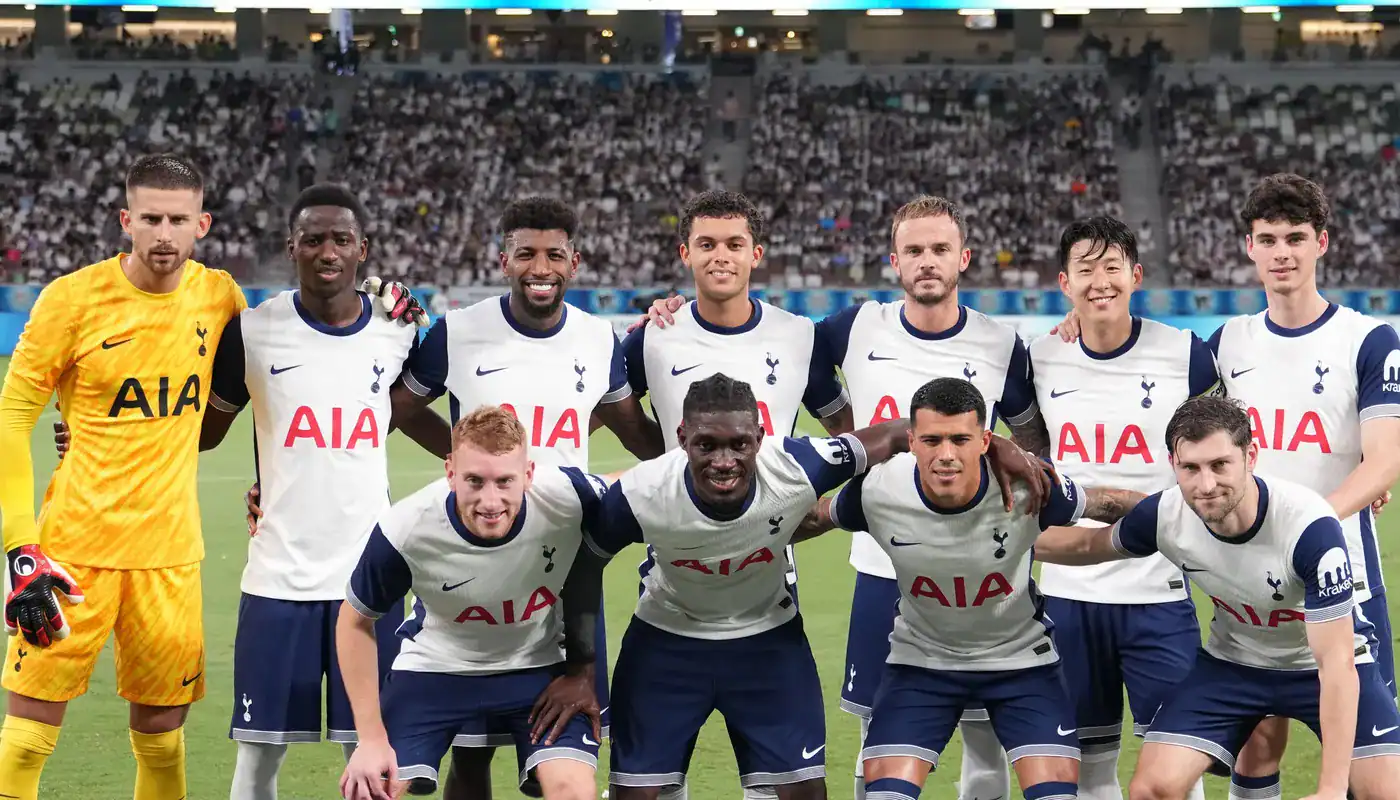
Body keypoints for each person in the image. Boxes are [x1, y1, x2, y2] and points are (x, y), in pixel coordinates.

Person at [638, 194, 1048, 800]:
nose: (927, 261)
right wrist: (671, 307)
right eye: (914, 250)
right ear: (894, 261)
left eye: (939, 249)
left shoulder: (1002, 343)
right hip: (884, 562)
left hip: (983, 563)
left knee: (986, 745)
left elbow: (1032, 435)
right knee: (878, 739)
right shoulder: (850, 329)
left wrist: (1009, 455)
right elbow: (807, 386)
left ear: (964, 258)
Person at [1053, 174, 1400, 800]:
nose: (1283, 253)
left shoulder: (1368, 340)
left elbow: (1383, 463)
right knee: (1258, 737)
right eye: (1268, 239)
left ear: (1322, 243)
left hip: (1338, 568)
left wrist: (1313, 521)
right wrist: (1082, 323)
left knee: (1361, 769)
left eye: (1297, 238)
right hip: (1244, 575)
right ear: (1249, 247)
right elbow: (1152, 379)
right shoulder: (1227, 344)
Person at [576, 373, 1053, 800]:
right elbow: (585, 560)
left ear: (761, 439)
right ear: (681, 439)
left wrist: (998, 447)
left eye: (739, 444)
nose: (724, 461)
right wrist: (579, 670)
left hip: (768, 644)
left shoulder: (799, 467)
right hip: (666, 644)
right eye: (707, 445)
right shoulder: (641, 494)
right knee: (638, 793)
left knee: (805, 790)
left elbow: (894, 435)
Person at [392, 196, 666, 799]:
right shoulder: (459, 331)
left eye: (553, 255)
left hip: (565, 557)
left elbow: (632, 429)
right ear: (503, 259)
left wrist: (692, 471)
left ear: (575, 261)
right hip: (476, 544)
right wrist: (463, 458)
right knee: (469, 758)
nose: (539, 267)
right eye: (525, 254)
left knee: (560, 744)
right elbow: (402, 408)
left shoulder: (599, 338)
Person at [0, 154, 247, 800]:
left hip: (168, 559)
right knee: (27, 734)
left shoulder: (220, 298)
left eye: (178, 219)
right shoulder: (72, 300)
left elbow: (289, 358)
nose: (164, 234)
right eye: (151, 218)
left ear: (203, 224)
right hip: (71, 552)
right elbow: (12, 415)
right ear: (125, 220)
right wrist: (19, 546)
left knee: (163, 739)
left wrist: (388, 302)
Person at [197, 183, 452, 800]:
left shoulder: (397, 331)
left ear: (363, 249)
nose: (327, 250)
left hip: (369, 581)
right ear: (292, 247)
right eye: (313, 239)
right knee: (258, 758)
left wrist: (464, 458)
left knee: (372, 757)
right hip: (277, 580)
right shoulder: (252, 332)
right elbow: (205, 430)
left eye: (341, 239)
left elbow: (407, 412)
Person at [1033, 395, 1400, 800]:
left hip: (1317, 668)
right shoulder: (1167, 515)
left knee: (1384, 793)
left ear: (1251, 456)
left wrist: (1330, 789)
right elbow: (1087, 546)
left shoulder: (1310, 528)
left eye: (1219, 465)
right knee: (1152, 789)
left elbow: (1337, 664)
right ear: (1172, 464)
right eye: (1190, 468)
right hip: (1233, 666)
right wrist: (994, 542)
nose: (1206, 486)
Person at [803, 376, 1146, 800]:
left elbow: (1106, 503)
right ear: (910, 441)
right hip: (921, 665)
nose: (946, 455)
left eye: (960, 439)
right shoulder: (878, 491)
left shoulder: (1030, 487)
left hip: (1022, 665)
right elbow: (811, 520)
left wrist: (1178, 512)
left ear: (985, 440)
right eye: (931, 440)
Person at [1029, 217, 1218, 800]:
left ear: (1136, 276)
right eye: (1085, 269)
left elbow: (1230, 447)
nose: (1099, 281)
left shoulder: (1186, 355)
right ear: (1065, 282)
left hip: (1156, 593)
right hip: (1067, 592)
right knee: (1088, 767)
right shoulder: (1037, 358)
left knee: (1179, 769)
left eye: (1112, 267)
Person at [338, 405, 608, 800]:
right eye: (474, 481)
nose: (490, 500)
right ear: (450, 471)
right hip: (435, 669)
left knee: (573, 791)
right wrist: (371, 738)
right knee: (371, 790)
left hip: (536, 668)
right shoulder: (406, 528)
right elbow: (354, 622)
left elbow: (639, 489)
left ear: (528, 475)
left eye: (504, 481)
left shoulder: (569, 495)